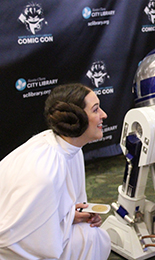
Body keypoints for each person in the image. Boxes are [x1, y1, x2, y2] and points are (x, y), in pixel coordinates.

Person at [0, 83, 111, 259]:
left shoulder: (70, 148)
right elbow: (9, 238)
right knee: (91, 238)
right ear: (77, 118)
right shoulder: (45, 169)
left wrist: (69, 217)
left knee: (92, 236)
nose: (103, 115)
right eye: (95, 110)